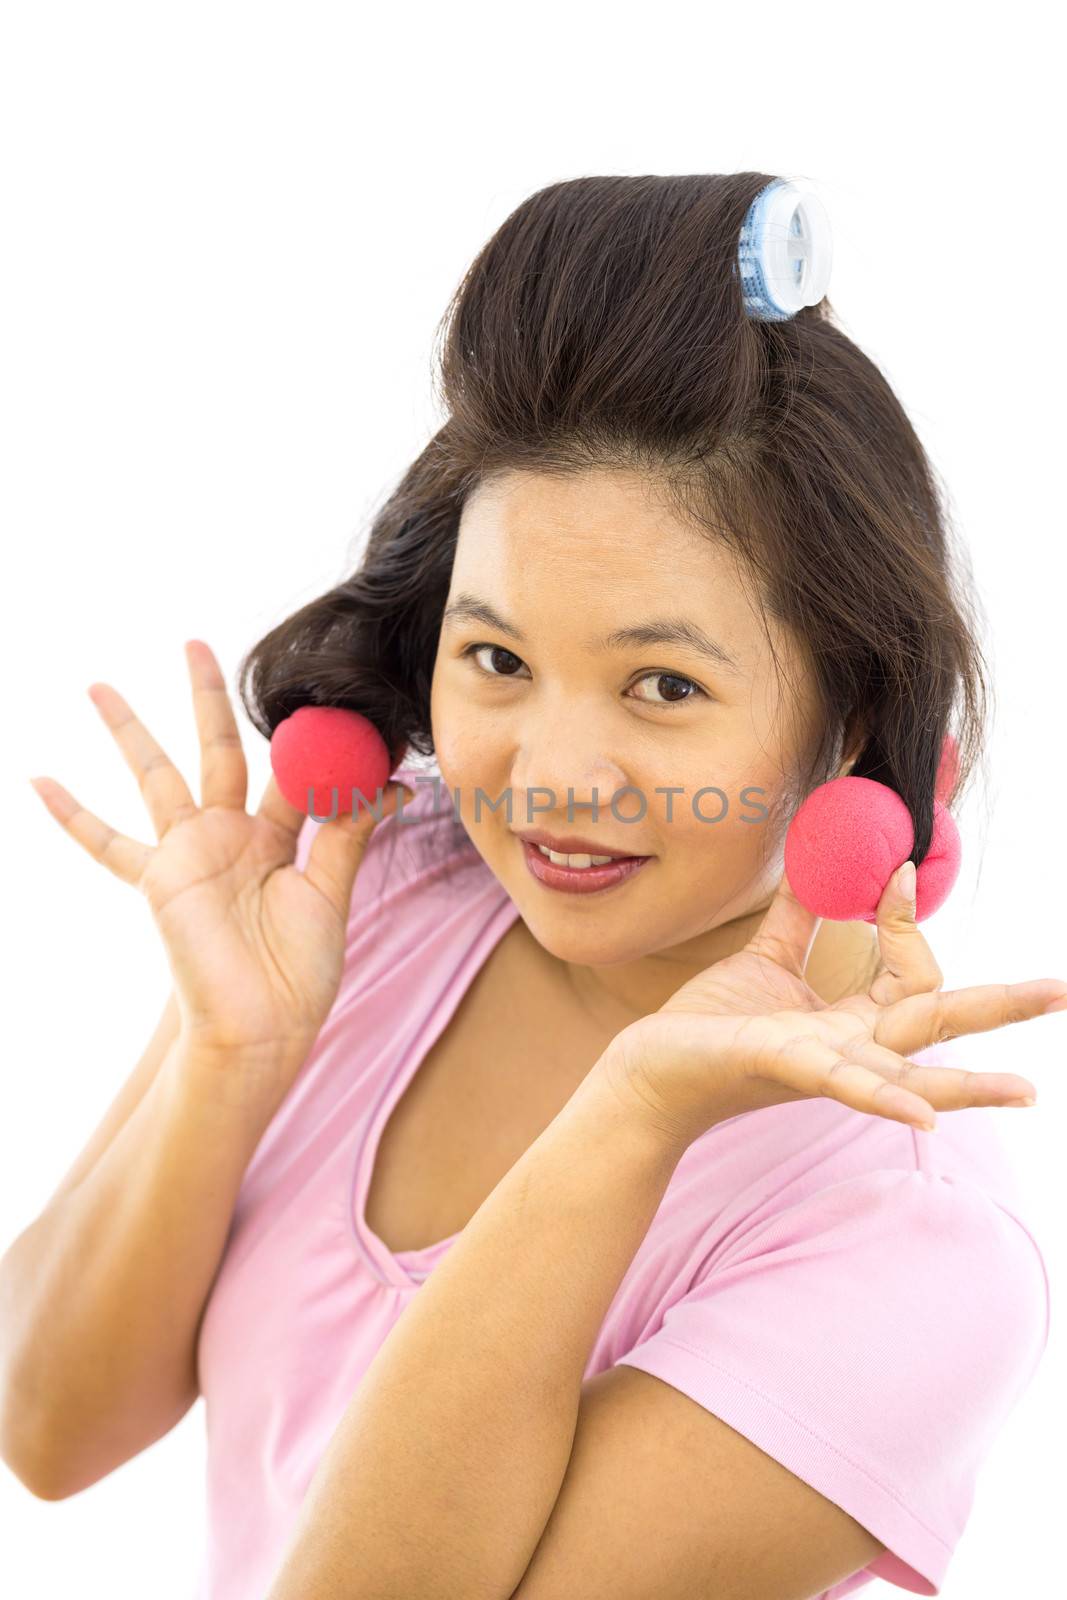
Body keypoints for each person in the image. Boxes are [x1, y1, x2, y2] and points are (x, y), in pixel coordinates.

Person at [5, 171, 1063, 1600]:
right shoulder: (375, 897)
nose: (551, 777)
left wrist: (624, 1119)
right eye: (497, 659)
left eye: (663, 684)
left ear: (857, 727)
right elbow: (50, 1432)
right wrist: (230, 1054)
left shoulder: (914, 1238)